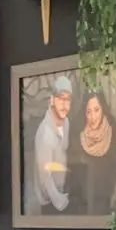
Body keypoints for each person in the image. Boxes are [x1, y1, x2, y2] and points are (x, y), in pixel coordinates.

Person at [76, 90, 116, 215]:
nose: (93, 117)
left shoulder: (112, 131)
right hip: (81, 200)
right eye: (88, 112)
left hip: (104, 196)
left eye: (96, 110)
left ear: (103, 109)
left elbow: (113, 158)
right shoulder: (78, 135)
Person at [32, 74, 72, 214]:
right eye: (61, 98)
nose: (64, 104)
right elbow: (45, 175)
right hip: (50, 200)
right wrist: (59, 201)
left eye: (67, 99)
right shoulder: (45, 133)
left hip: (62, 189)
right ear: (52, 100)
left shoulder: (66, 122)